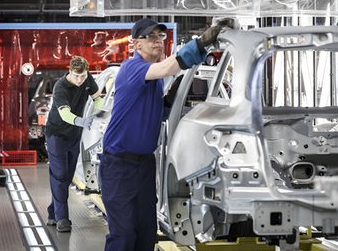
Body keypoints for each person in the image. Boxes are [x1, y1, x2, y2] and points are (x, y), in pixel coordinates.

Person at [100, 17, 233, 251]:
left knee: (146, 232)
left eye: (160, 36)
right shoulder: (132, 68)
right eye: (150, 37)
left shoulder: (155, 81)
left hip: (144, 165)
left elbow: (153, 111)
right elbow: (167, 67)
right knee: (123, 234)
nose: (157, 41)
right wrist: (201, 43)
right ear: (136, 44)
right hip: (119, 165)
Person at [45, 56, 102, 232]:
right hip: (57, 134)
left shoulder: (87, 79)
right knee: (60, 174)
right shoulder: (60, 87)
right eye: (76, 76)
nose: (80, 80)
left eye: (83, 76)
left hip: (74, 136)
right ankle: (62, 219)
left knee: (67, 177)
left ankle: (52, 212)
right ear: (70, 71)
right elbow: (65, 115)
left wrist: (99, 112)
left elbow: (97, 97)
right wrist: (82, 122)